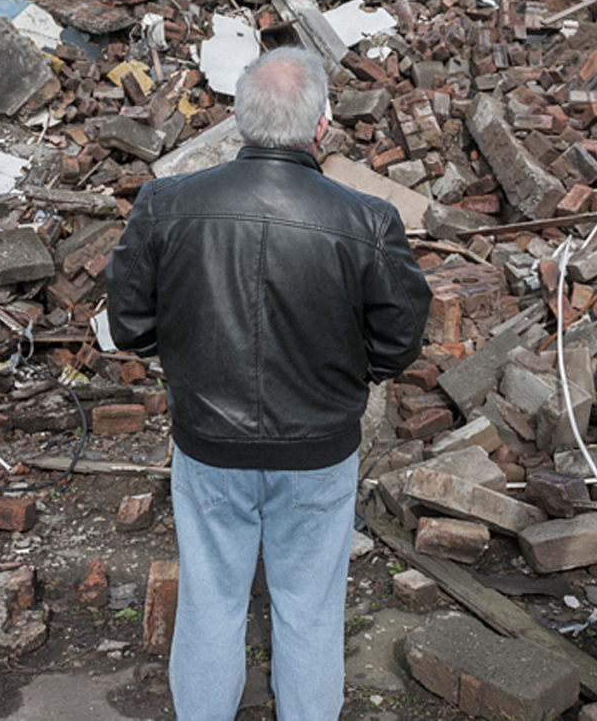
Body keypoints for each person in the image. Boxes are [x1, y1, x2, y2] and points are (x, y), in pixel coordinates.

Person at [105, 46, 431, 721]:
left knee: (210, 601)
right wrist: (345, 373)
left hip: (209, 444)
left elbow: (130, 326)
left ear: (238, 122)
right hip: (317, 448)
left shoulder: (165, 205)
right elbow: (399, 340)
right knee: (310, 610)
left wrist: (191, 353)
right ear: (321, 126)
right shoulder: (369, 219)